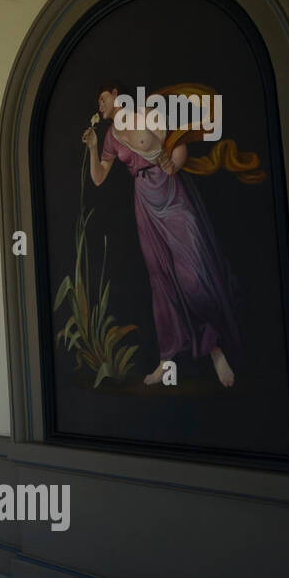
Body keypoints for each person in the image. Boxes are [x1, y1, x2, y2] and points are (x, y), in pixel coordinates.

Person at [83, 81, 242, 387]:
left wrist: (173, 164)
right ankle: (168, 360)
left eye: (102, 98)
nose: (99, 104)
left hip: (170, 194)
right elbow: (99, 178)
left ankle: (214, 348)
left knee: (193, 272)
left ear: (116, 95)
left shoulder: (146, 115)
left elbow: (178, 146)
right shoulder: (110, 137)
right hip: (143, 199)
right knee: (160, 278)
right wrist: (92, 148)